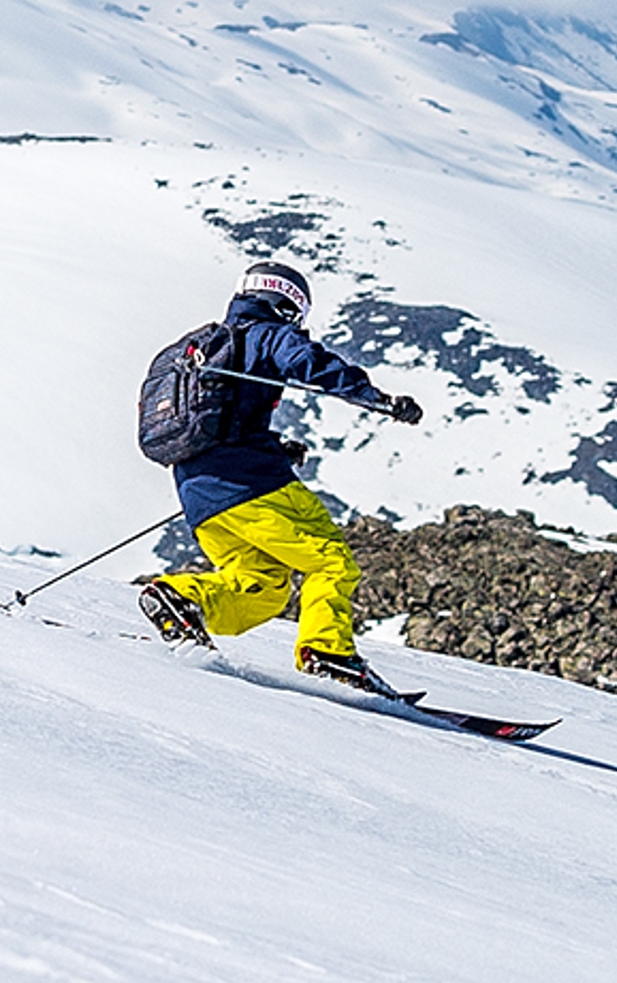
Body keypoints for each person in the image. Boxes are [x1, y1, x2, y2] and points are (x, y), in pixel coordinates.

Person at [136, 258, 425, 687]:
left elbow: (224, 418)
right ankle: (327, 654)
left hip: (199, 495)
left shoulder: (208, 343)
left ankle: (180, 598)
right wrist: (376, 398)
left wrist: (272, 446)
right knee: (331, 561)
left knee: (263, 585)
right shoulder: (268, 333)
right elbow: (310, 363)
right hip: (252, 485)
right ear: (288, 304)